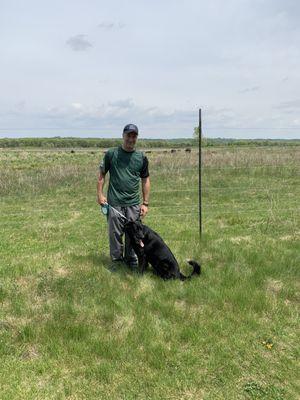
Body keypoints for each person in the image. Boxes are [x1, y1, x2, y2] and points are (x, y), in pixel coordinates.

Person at [97, 124, 150, 268]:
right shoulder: (112, 154)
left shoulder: (141, 157)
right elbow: (102, 174)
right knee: (115, 234)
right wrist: (100, 195)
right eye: (128, 135)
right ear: (123, 135)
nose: (131, 139)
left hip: (133, 203)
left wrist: (145, 203)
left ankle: (131, 260)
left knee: (133, 234)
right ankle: (116, 261)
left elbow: (145, 180)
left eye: (134, 136)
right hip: (115, 203)